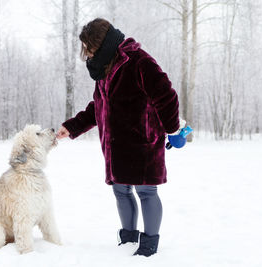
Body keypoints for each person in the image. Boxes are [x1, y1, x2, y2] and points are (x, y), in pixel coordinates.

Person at [56, 18, 181, 257]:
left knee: (146, 192)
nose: (89, 53)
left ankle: (149, 243)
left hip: (143, 143)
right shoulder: (104, 69)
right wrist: (71, 127)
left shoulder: (139, 61)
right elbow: (98, 107)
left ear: (103, 44)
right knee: (121, 190)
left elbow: (167, 96)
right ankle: (128, 239)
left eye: (91, 48)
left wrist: (172, 129)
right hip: (116, 147)